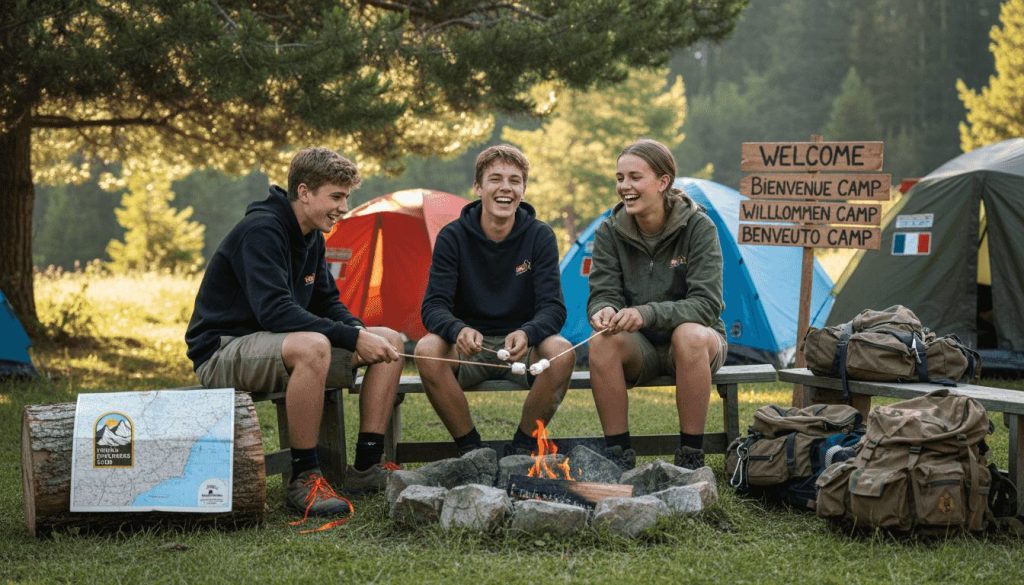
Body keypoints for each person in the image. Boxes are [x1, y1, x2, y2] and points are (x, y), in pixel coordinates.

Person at [185, 147, 404, 518]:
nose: (344, 207)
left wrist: (358, 331)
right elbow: (274, 311)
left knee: (390, 338)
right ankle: (304, 478)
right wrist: (350, 338)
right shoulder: (261, 231)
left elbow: (327, 302)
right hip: (223, 350)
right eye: (336, 196)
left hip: (279, 345)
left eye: (346, 197)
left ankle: (366, 468)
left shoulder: (312, 236)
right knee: (314, 346)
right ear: (304, 193)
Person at [415, 144, 573, 457]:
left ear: (523, 190)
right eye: (495, 179)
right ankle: (472, 450)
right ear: (478, 187)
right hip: (467, 348)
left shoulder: (540, 236)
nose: (505, 188)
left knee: (562, 351)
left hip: (522, 347)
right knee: (426, 349)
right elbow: (433, 306)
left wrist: (528, 332)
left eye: (514, 181)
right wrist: (458, 329)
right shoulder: (453, 236)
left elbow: (553, 308)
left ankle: (522, 446)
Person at [587, 138, 727, 471]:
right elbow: (602, 291)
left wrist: (646, 313)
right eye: (620, 178)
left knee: (689, 335)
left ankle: (690, 457)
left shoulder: (699, 227)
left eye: (635, 177)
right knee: (601, 342)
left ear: (663, 182)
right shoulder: (609, 231)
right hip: (643, 350)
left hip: (698, 346)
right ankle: (617, 456)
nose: (625, 186)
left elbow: (707, 305)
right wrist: (602, 310)